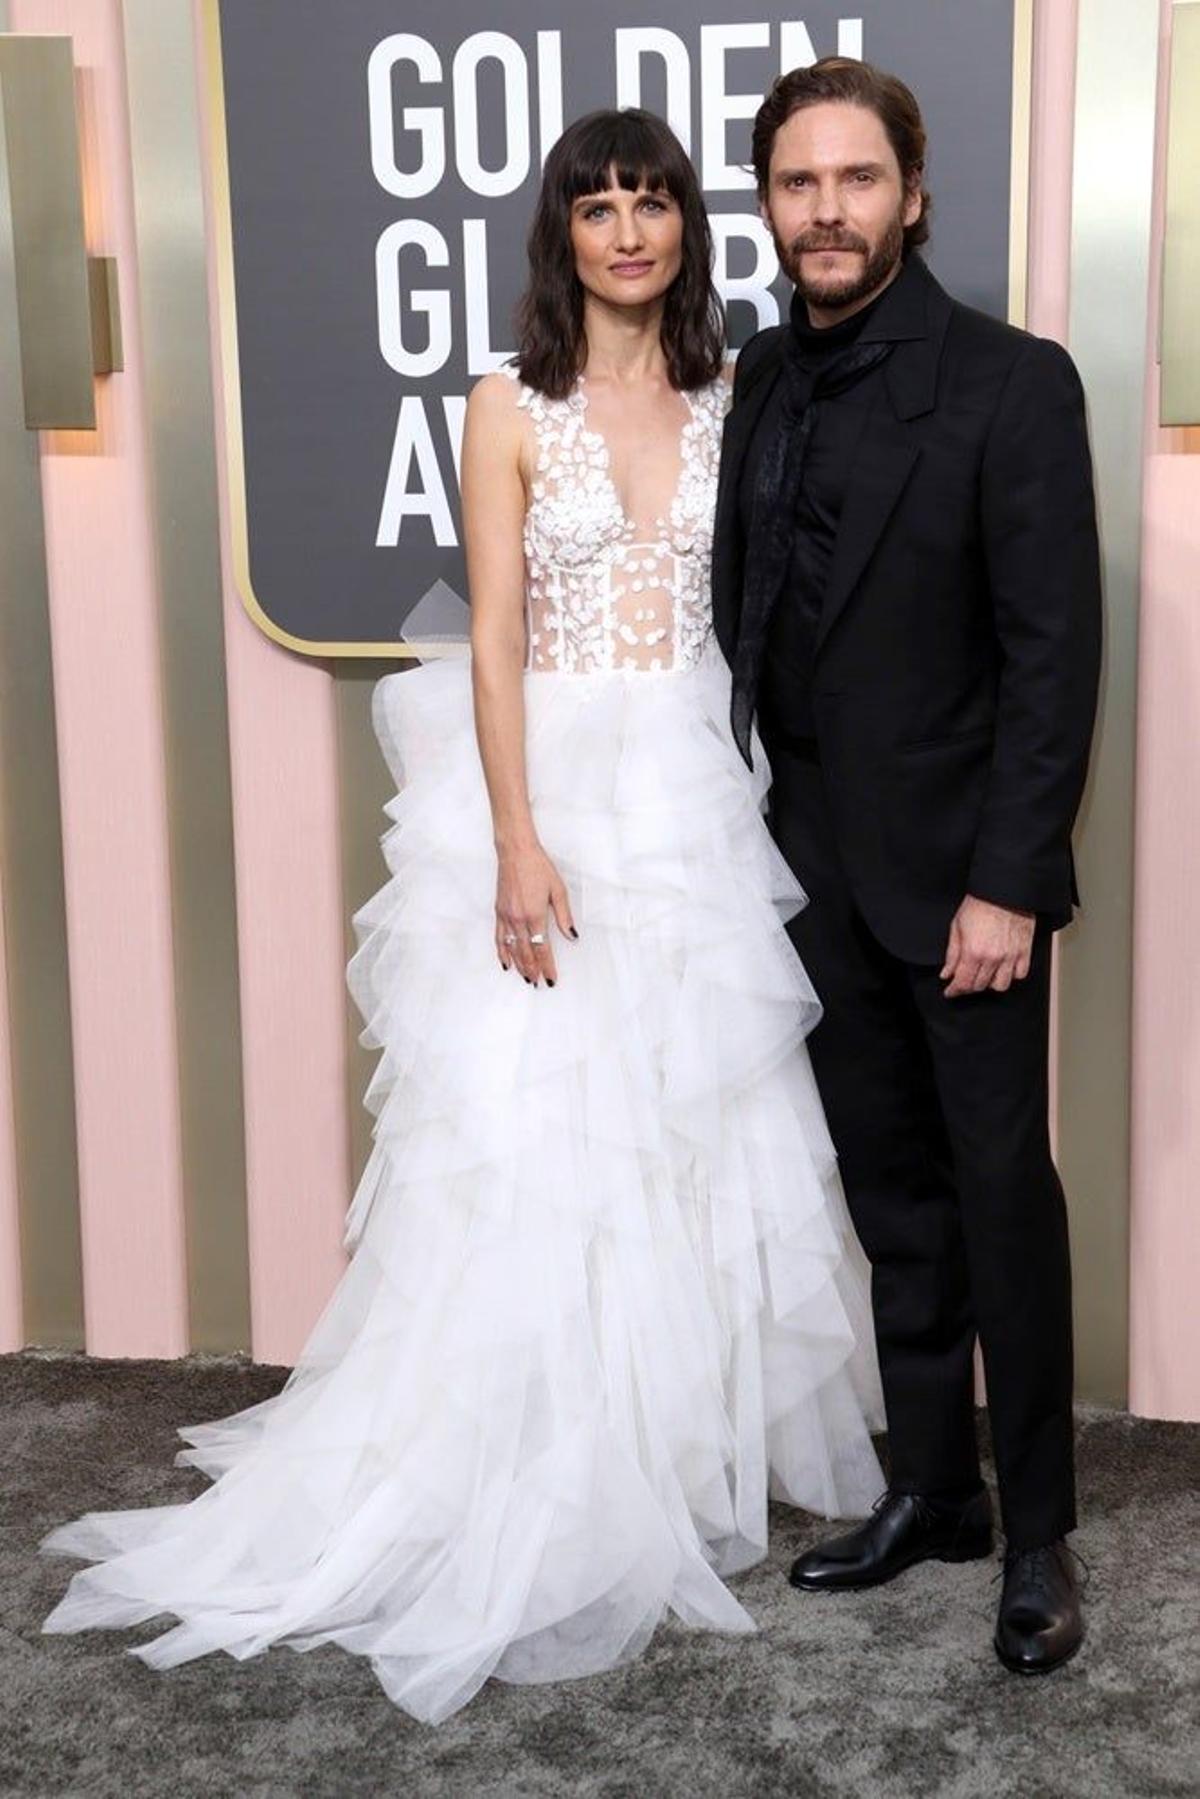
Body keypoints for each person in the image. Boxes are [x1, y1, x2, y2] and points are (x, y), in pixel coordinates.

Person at [39, 108, 886, 1725]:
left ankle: (673, 1446)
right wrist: (515, 835)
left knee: (698, 1119)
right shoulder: (509, 405)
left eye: (652, 202)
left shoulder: (737, 392)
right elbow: (491, 637)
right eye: (598, 207)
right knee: (538, 1131)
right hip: (557, 787)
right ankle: (538, 1456)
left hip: (703, 790)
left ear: (688, 229)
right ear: (559, 236)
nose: (629, 230)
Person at [712, 58, 1102, 1675]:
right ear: (772, 206)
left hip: (964, 884)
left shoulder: (1015, 383)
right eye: (798, 184)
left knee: (1001, 1195)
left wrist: (1010, 882)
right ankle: (934, 1488)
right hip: (804, 874)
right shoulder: (759, 375)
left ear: (912, 195)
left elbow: (1051, 654)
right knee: (894, 1200)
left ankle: (1043, 1538)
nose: (826, 210)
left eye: (855, 180)